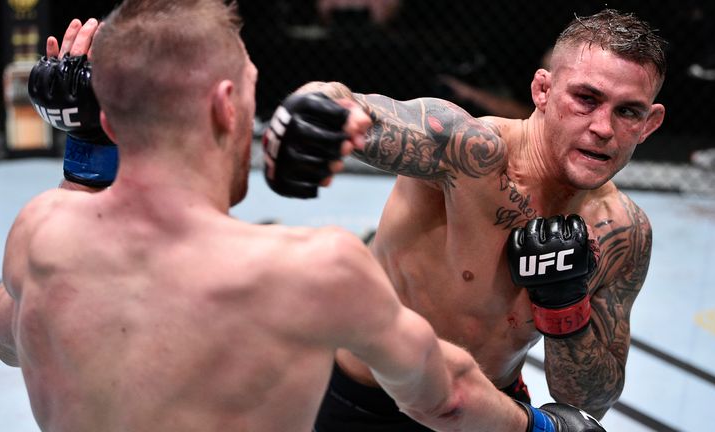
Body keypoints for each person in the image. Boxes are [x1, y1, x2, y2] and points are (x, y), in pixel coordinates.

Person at [0, 1, 604, 431]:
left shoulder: (42, 231)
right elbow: (449, 401)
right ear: (229, 105)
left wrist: (88, 155)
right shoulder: (311, 270)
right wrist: (544, 426)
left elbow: (14, 341)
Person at [264, 8, 666, 431]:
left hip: (485, 409)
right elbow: (356, 109)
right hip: (370, 399)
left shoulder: (624, 230)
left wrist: (565, 306)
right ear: (543, 91)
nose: (603, 127)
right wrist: (316, 108)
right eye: (586, 99)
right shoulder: (467, 151)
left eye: (628, 112)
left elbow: (589, 401)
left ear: (650, 124)